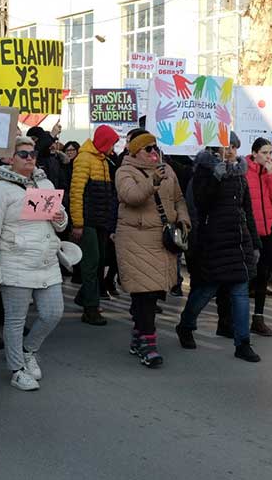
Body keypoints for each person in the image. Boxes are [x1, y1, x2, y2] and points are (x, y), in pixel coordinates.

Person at [0, 136, 69, 391]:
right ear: (10, 158)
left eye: (32, 153)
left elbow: (60, 225)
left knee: (53, 312)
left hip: (46, 261)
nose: (30, 157)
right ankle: (17, 369)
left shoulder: (45, 182)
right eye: (23, 154)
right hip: (15, 262)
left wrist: (59, 216)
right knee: (15, 320)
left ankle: (28, 350)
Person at [177, 134, 262, 363]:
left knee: (241, 295)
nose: (231, 150)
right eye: (227, 146)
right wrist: (216, 177)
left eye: (234, 146)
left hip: (239, 243)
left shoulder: (240, 174)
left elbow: (248, 212)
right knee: (206, 290)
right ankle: (186, 324)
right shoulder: (204, 170)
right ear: (216, 148)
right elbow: (201, 202)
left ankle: (242, 343)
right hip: (214, 242)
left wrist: (255, 243)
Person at [115, 131, 190, 368]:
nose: (154, 153)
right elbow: (132, 196)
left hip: (161, 240)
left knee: (153, 291)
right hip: (135, 239)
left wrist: (184, 220)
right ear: (135, 151)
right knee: (145, 293)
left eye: (155, 148)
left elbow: (179, 199)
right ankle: (149, 345)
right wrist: (153, 182)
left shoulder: (167, 170)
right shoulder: (124, 171)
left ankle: (139, 337)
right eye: (148, 149)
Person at [69, 125, 119, 325]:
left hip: (101, 222)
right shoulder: (84, 159)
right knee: (91, 264)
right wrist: (78, 223)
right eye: (112, 144)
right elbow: (76, 193)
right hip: (88, 221)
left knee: (98, 263)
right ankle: (90, 309)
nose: (113, 148)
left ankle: (85, 297)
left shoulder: (104, 161)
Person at [245, 137, 272, 337]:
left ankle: (258, 318)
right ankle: (232, 317)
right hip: (250, 232)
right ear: (255, 153)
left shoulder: (271, 173)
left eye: (270, 153)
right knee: (246, 276)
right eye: (265, 153)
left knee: (262, 277)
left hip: (268, 232)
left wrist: (271, 175)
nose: (268, 157)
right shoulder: (244, 171)